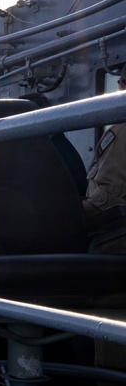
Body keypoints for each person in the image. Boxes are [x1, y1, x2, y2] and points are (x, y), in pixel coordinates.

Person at [84, 73, 126, 253]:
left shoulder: (121, 132)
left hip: (114, 241)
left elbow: (109, 198)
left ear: (122, 85)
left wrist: (73, 211)